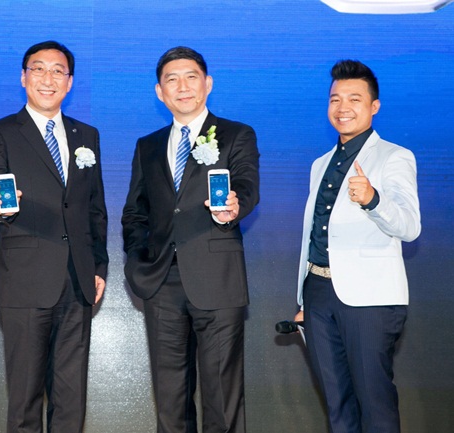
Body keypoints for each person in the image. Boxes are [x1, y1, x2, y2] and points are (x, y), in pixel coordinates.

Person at [122, 46, 260, 433]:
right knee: (170, 401)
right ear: (159, 91)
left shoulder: (236, 134)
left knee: (222, 399)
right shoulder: (147, 145)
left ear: (207, 83)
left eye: (191, 77)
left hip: (217, 279)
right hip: (160, 282)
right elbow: (135, 212)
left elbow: (247, 186)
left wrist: (234, 206)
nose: (182, 87)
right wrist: (136, 260)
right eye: (172, 79)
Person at [0, 40, 108, 433]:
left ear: (69, 82)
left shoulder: (87, 136)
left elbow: (94, 208)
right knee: (25, 399)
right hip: (27, 279)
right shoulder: (1, 132)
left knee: (70, 400)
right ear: (23, 77)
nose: (48, 78)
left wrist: (98, 266)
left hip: (78, 281)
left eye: (57, 71)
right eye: (39, 69)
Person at [293, 60, 421, 433]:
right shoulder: (320, 164)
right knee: (337, 406)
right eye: (335, 99)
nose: (342, 107)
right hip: (318, 294)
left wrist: (373, 199)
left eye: (354, 99)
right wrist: (305, 299)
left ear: (374, 106)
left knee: (374, 404)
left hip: (370, 299)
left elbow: (410, 226)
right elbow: (315, 234)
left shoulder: (394, 156)